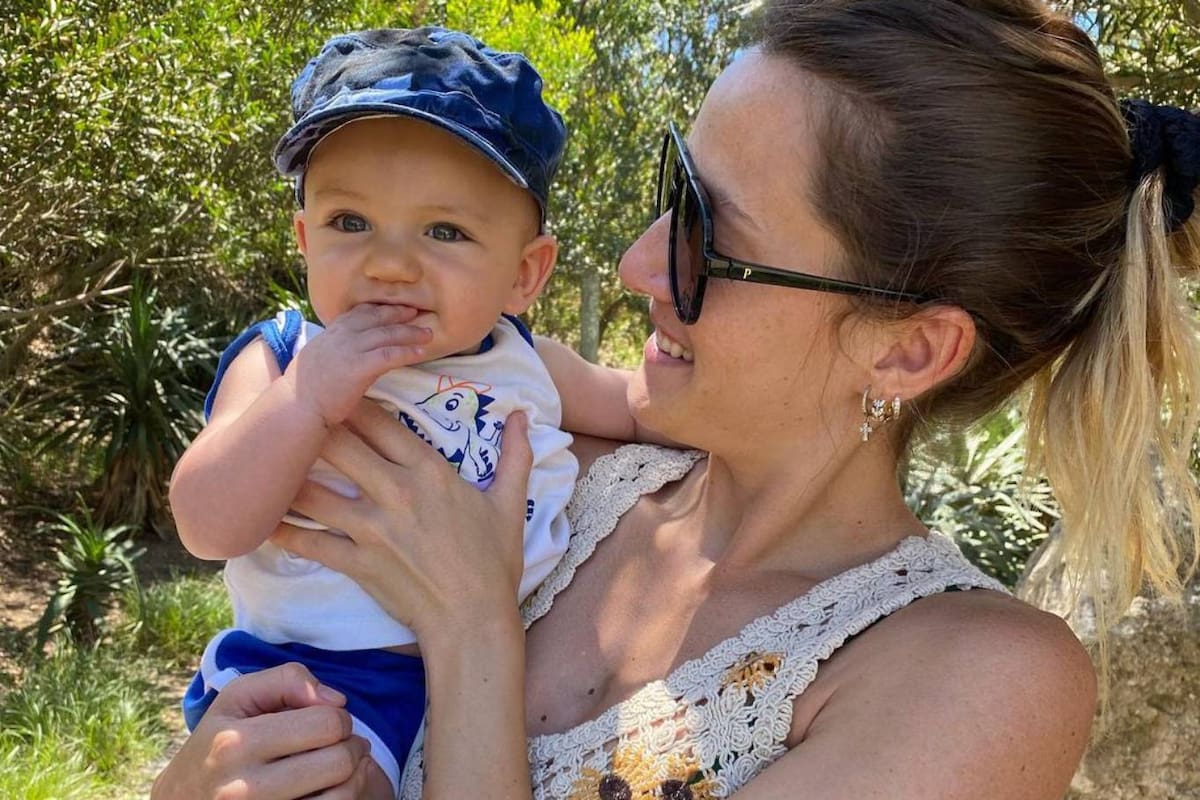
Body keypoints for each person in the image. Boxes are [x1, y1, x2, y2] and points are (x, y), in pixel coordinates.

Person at [154, 1, 1200, 798]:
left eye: (710, 233)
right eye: (672, 193)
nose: (634, 264)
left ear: (909, 347)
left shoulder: (973, 677)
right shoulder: (547, 461)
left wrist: (473, 629)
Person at [167, 27, 581, 798]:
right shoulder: (284, 355)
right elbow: (205, 523)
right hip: (303, 677)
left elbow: (644, 406)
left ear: (524, 273)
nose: (389, 263)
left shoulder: (525, 362)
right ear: (303, 238)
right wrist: (305, 399)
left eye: (445, 231)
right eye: (350, 223)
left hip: (481, 680)